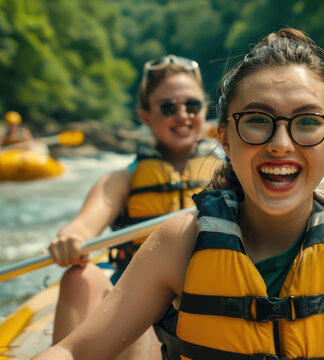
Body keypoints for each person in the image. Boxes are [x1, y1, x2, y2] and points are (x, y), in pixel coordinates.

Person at [36, 28, 324, 360]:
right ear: (224, 136)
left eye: (308, 122)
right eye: (257, 120)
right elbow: (75, 353)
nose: (281, 143)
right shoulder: (176, 244)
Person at [48, 54, 224, 359]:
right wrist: (71, 237)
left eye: (192, 106)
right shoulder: (121, 180)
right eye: (168, 107)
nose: (182, 115)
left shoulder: (233, 172)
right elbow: (84, 225)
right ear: (145, 115)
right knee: (80, 277)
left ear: (205, 110)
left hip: (214, 290)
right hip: (140, 297)